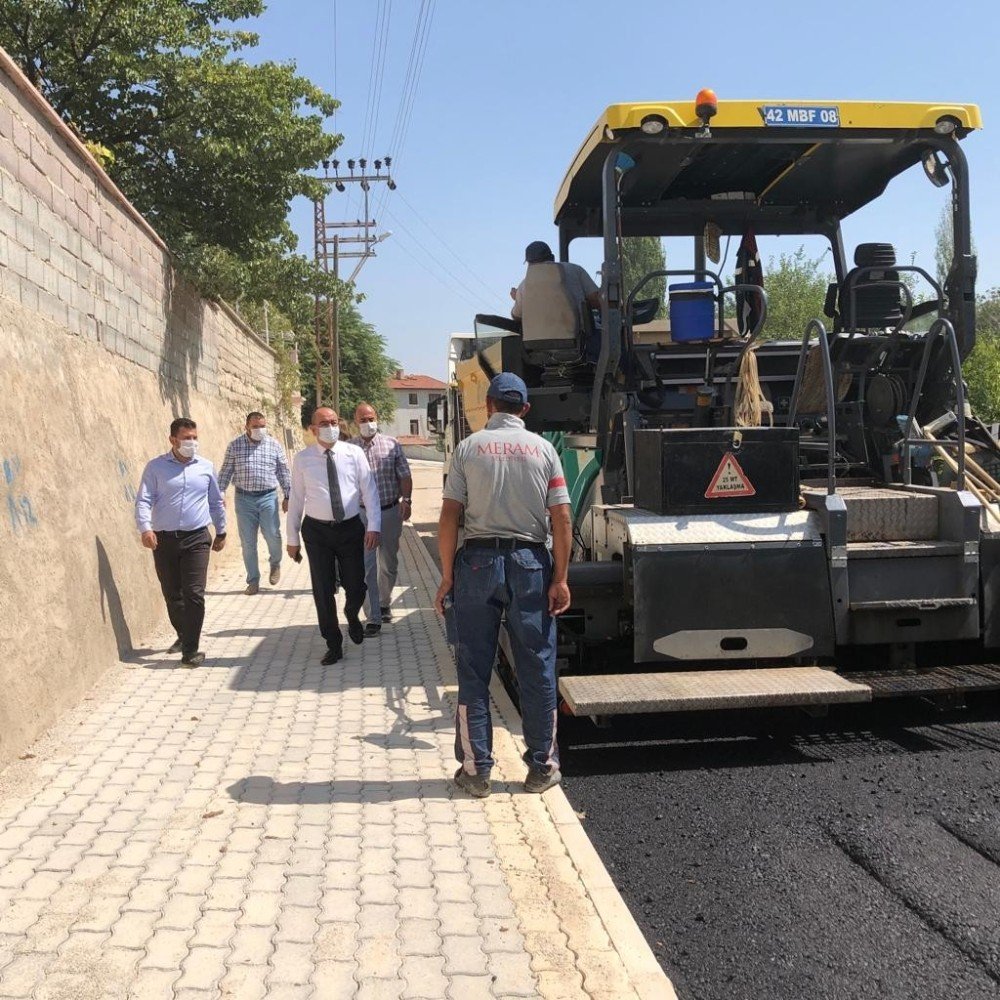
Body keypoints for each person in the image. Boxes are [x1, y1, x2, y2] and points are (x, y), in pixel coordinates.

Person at [435, 373, 572, 798]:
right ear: (525, 410)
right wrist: (561, 578)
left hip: (477, 564)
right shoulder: (544, 450)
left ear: (489, 406)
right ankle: (541, 767)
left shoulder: (468, 448)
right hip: (530, 565)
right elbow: (562, 519)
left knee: (473, 669)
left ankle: (476, 772)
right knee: (537, 667)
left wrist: (446, 575)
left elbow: (449, 516)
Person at [286, 407, 381, 666]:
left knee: (356, 584)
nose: (330, 426)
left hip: (350, 528)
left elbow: (369, 490)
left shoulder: (354, 453)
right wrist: (292, 538)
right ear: (313, 429)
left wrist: (374, 525)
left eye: (334, 421)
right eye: (324, 423)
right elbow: (296, 498)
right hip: (317, 532)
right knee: (323, 588)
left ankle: (352, 614)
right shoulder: (303, 459)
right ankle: (333, 643)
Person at [135, 418, 227, 667]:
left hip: (197, 537)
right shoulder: (156, 468)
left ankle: (190, 650)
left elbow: (216, 501)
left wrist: (221, 531)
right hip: (164, 540)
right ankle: (184, 635)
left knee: (194, 594)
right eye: (187, 438)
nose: (192, 442)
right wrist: (145, 528)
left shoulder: (206, 467)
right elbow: (144, 500)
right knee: (173, 594)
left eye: (195, 437)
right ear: (173, 440)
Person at [350, 402, 413, 636]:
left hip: (388, 512)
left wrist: (407, 500)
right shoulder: (349, 448)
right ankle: (373, 613)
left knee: (388, 563)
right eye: (363, 419)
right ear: (356, 421)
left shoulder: (391, 444)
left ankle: (384, 602)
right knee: (366, 565)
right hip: (361, 514)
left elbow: (405, 475)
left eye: (371, 418)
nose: (368, 423)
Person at [218, 411, 292, 595]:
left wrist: (288, 495)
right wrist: (219, 493)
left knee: (273, 535)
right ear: (247, 427)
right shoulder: (235, 446)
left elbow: (283, 471)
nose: (260, 430)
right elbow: (226, 471)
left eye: (262, 426)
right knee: (248, 542)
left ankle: (275, 563)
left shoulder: (274, 445)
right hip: (244, 499)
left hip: (268, 497)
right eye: (255, 426)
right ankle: (253, 580)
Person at [510, 240, 601, 338]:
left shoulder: (523, 286)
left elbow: (516, 316)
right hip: (581, 341)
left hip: (537, 345)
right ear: (552, 258)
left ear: (529, 264)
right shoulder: (574, 270)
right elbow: (596, 300)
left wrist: (520, 300)